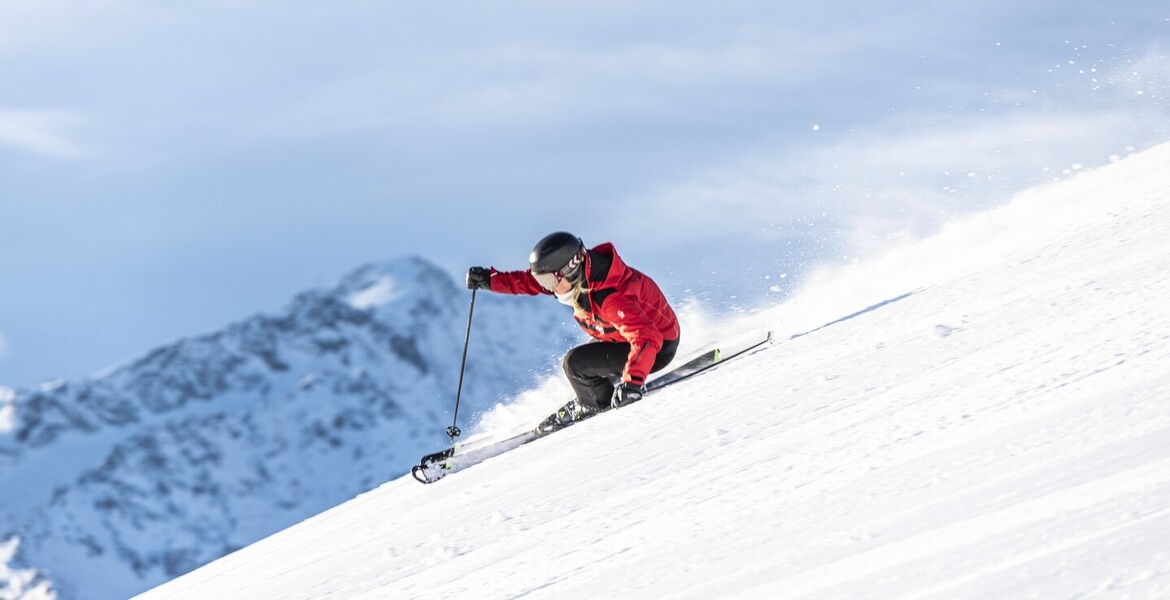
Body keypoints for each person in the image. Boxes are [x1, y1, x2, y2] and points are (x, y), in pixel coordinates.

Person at [467, 232, 681, 433]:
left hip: (657, 348)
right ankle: (599, 391)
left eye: (548, 281)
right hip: (628, 338)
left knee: (575, 364)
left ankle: (595, 404)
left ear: (569, 269)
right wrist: (490, 280)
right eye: (543, 280)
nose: (546, 287)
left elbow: (646, 336)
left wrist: (632, 384)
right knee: (587, 360)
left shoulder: (609, 297)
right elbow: (528, 282)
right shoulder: (581, 279)